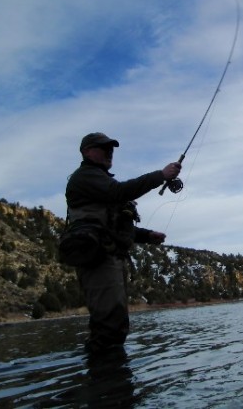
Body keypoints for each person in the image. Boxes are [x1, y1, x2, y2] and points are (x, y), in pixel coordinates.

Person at [65, 132, 181, 354]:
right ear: (87, 151)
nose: (109, 152)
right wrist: (161, 175)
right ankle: (104, 381)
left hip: (108, 256)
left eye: (111, 148)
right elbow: (119, 192)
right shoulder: (85, 177)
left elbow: (113, 225)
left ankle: (108, 380)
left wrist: (147, 236)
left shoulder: (101, 182)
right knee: (109, 326)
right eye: (103, 147)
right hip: (97, 259)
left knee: (114, 325)